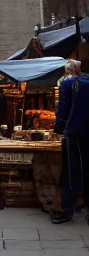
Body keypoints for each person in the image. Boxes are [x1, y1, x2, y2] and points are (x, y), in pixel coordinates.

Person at [52, 59, 89, 224]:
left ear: (68, 70)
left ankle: (68, 211)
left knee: (71, 172)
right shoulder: (87, 82)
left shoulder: (67, 84)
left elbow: (63, 109)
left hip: (73, 133)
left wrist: (58, 128)